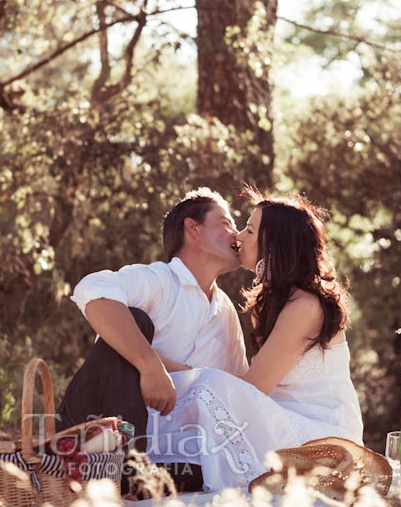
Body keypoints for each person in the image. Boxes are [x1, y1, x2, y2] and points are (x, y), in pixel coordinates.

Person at [146, 189, 364, 491]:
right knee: (209, 398)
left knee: (211, 385)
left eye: (249, 230)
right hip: (284, 421)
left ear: (273, 242)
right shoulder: (278, 302)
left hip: (322, 437)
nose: (238, 236)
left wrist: (159, 365)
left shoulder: (305, 306)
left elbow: (251, 389)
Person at [56, 188, 249, 458]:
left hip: (171, 450)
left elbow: (240, 385)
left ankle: (138, 473)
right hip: (98, 428)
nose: (237, 235)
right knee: (133, 322)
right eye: (226, 223)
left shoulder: (226, 311)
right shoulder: (157, 279)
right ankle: (116, 466)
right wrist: (150, 366)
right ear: (193, 229)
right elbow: (92, 288)